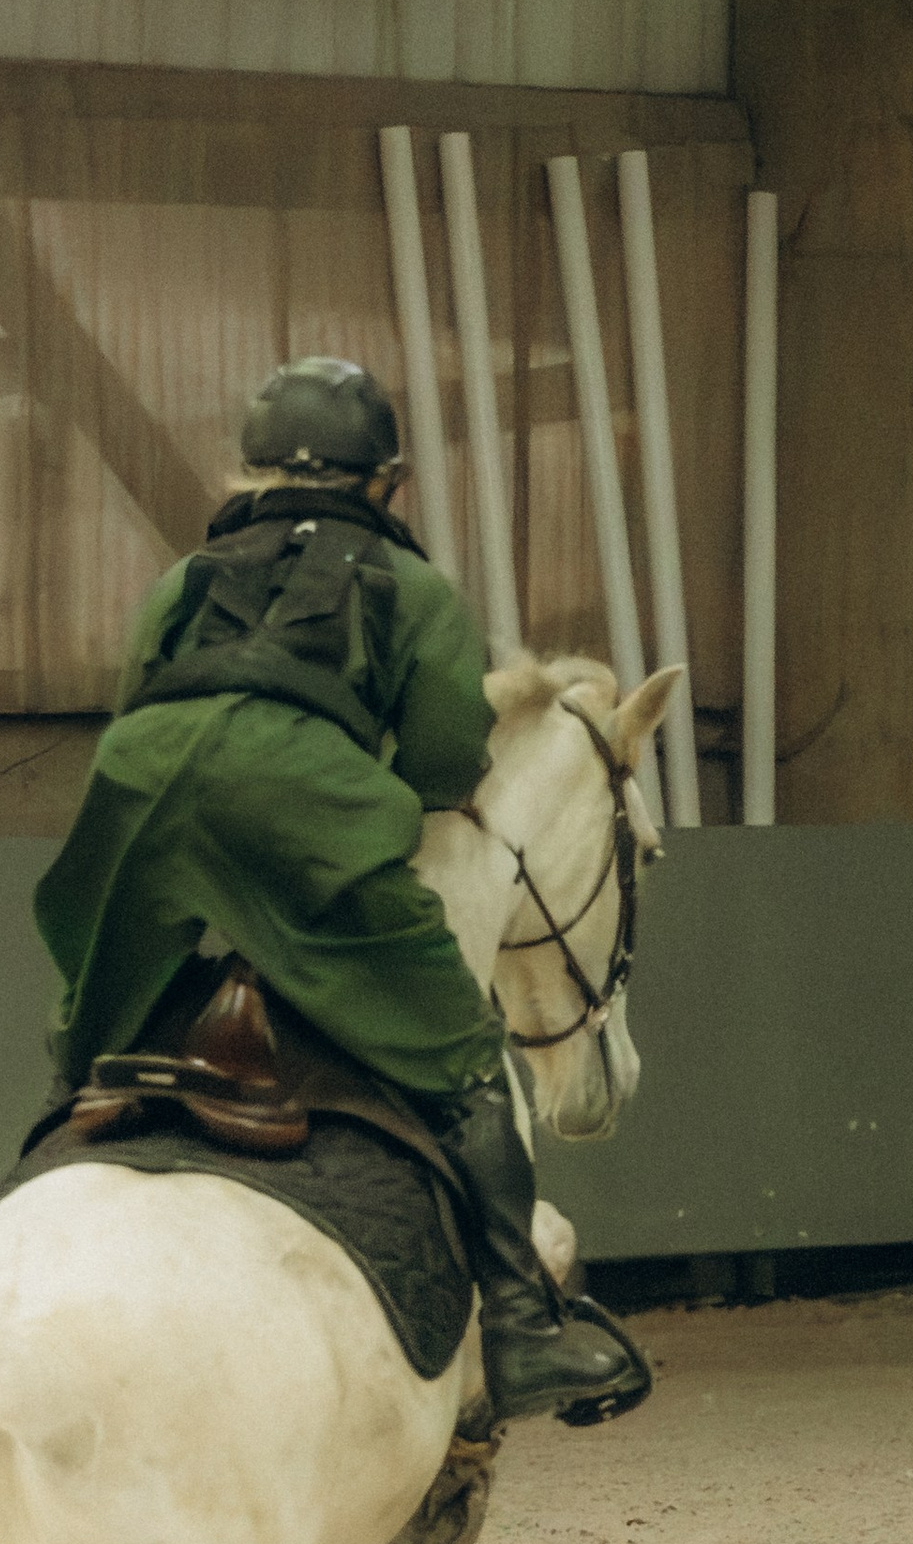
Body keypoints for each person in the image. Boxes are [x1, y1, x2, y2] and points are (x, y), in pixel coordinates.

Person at [34, 355, 650, 1426]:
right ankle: (520, 1327)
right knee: (462, 1058)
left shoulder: (184, 583)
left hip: (135, 786)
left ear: (249, 474)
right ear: (389, 483)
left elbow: (135, 702)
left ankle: (34, 1208)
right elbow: (447, 764)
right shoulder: (413, 591)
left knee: (90, 1040)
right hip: (301, 802)